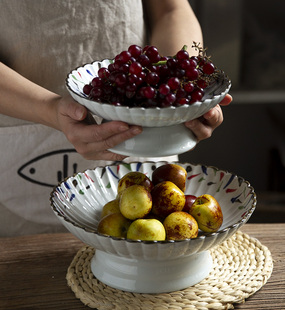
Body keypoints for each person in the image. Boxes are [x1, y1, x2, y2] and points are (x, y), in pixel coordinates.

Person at [0, 0, 232, 236]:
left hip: (148, 131)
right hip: (24, 138)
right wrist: (48, 109)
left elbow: (170, 10)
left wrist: (178, 89)